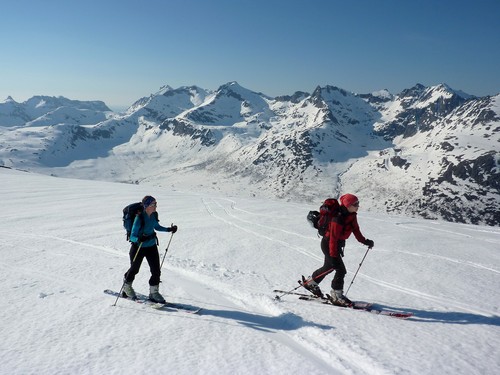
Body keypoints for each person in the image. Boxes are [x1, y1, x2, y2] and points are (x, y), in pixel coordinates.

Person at [302, 193, 374, 306]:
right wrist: (334, 256)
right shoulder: (338, 218)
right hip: (328, 244)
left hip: (335, 245)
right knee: (340, 270)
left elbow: (356, 230)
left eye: (358, 203)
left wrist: (365, 241)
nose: (358, 206)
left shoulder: (352, 215)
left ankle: (310, 283)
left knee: (328, 267)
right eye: (355, 204)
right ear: (348, 205)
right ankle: (336, 295)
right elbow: (332, 239)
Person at [122, 195, 178, 303]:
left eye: (156, 204)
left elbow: (156, 226)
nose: (156, 206)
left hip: (151, 246)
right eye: (153, 204)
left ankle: (154, 293)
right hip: (138, 247)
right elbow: (132, 236)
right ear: (147, 206)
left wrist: (169, 229)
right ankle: (127, 287)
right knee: (134, 269)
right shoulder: (139, 217)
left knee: (156, 270)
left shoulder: (153, 215)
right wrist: (139, 238)